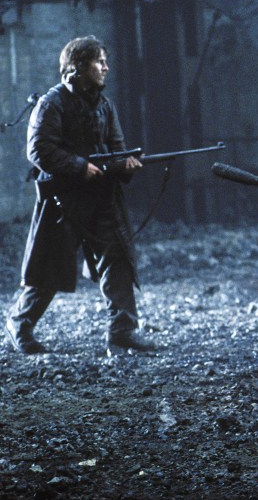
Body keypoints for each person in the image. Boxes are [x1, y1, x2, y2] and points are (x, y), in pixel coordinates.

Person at [4, 35, 155, 356]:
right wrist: (79, 166)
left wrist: (126, 164)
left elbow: (116, 149)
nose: (106, 67)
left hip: (103, 197)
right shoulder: (52, 103)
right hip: (64, 199)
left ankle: (122, 331)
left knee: (118, 259)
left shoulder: (105, 105)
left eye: (105, 61)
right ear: (77, 66)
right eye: (99, 61)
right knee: (49, 266)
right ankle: (20, 324)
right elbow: (39, 149)